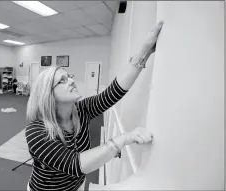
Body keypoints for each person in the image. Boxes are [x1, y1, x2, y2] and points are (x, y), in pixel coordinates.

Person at [25, 21, 164, 191]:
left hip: (76, 186)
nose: (72, 80)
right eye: (62, 80)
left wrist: (145, 50)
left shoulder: (81, 110)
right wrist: (125, 138)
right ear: (48, 94)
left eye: (69, 76)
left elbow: (114, 92)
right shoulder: (36, 132)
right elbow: (76, 165)